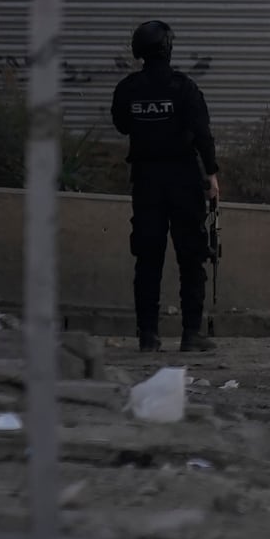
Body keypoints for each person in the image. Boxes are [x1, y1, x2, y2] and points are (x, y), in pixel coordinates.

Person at [111, 20, 220, 353]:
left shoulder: (128, 88)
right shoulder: (184, 88)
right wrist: (212, 174)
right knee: (191, 257)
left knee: (147, 258)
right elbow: (202, 133)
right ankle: (191, 334)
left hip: (146, 181)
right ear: (168, 48)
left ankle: (148, 335)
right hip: (183, 180)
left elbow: (121, 125)